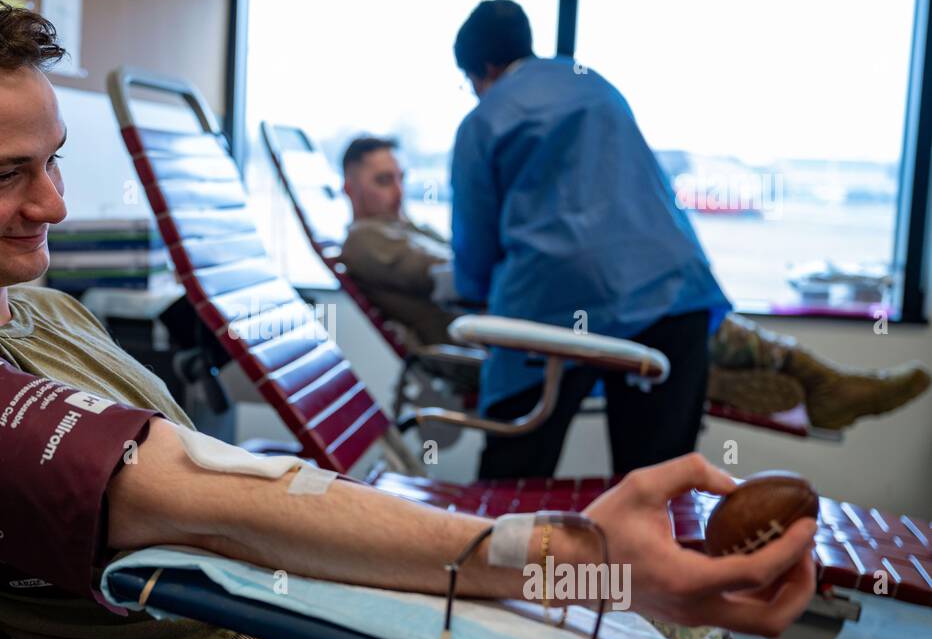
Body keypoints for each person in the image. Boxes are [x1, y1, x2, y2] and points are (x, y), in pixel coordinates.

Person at [0, 0, 930, 639]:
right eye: (6, 175)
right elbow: (211, 503)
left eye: (54, 162)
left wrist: (587, 576)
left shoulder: (42, 310)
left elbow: (248, 500)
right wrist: (579, 560)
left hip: (376, 622)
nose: (53, 205)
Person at [338, 137, 930, 434]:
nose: (397, 190)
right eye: (383, 180)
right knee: (653, 318)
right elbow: (450, 281)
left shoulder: (403, 226)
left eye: (400, 177)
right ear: (350, 186)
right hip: (501, 343)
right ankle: (807, 381)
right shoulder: (365, 239)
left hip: (518, 325)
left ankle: (801, 380)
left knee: (661, 317)